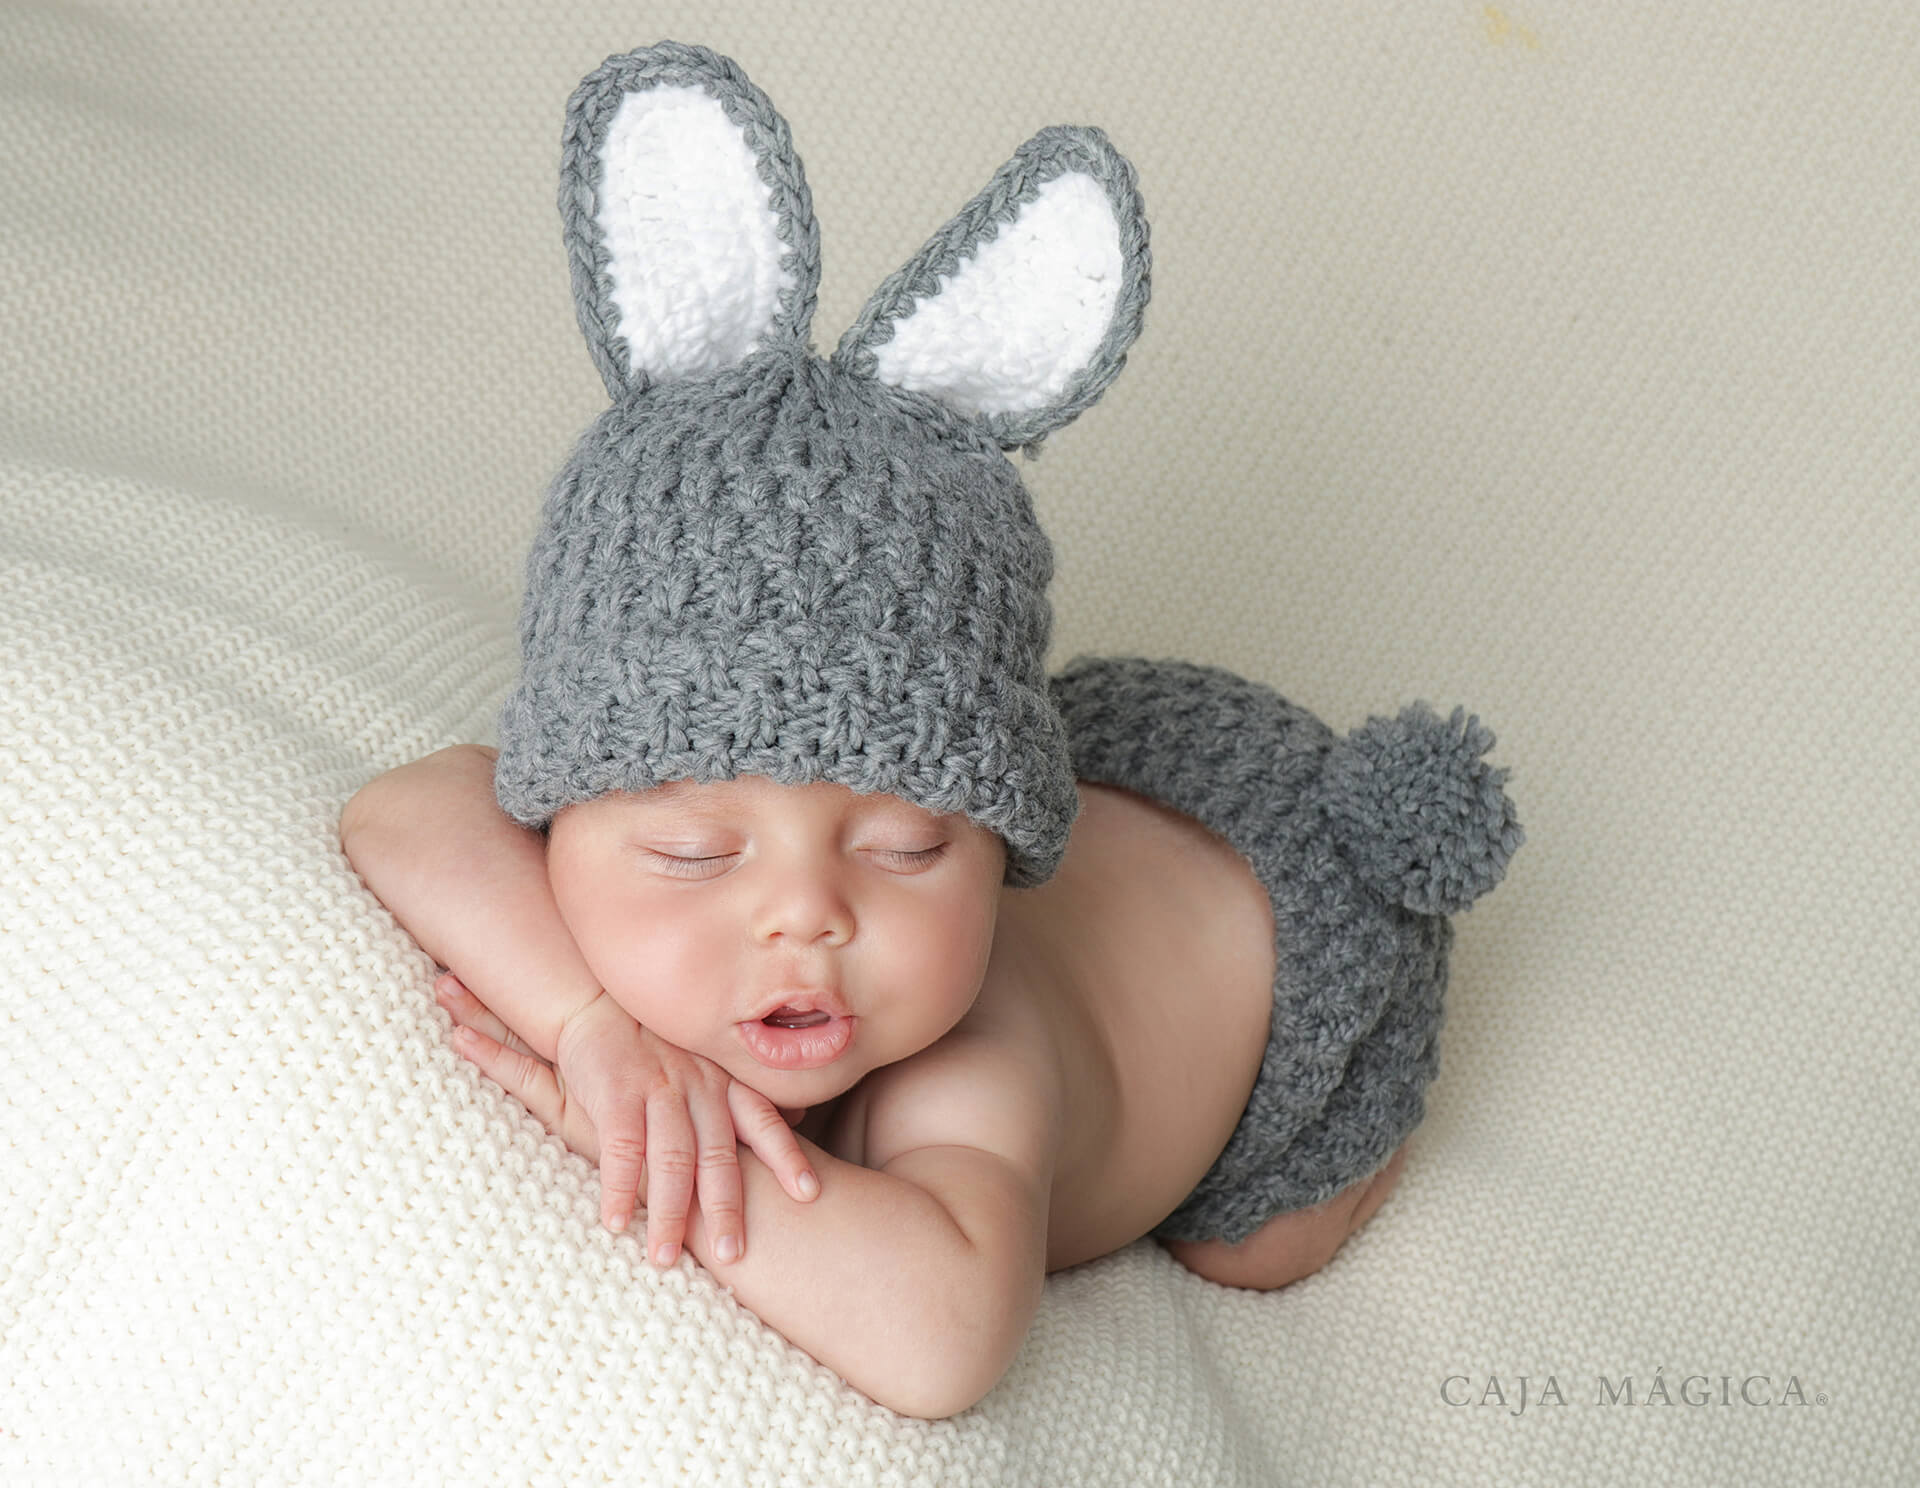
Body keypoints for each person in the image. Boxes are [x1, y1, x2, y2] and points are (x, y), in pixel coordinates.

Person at [338, 40, 1522, 1418]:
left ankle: (1353, 1127)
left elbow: (941, 1340)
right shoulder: (600, 841)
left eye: (907, 850)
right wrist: (594, 1029)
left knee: (1250, 1248)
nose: (805, 915)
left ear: (992, 848)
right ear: (559, 806)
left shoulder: (969, 1065)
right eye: (695, 851)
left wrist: (655, 1144)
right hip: (1101, 778)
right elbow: (401, 812)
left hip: (1301, 926)